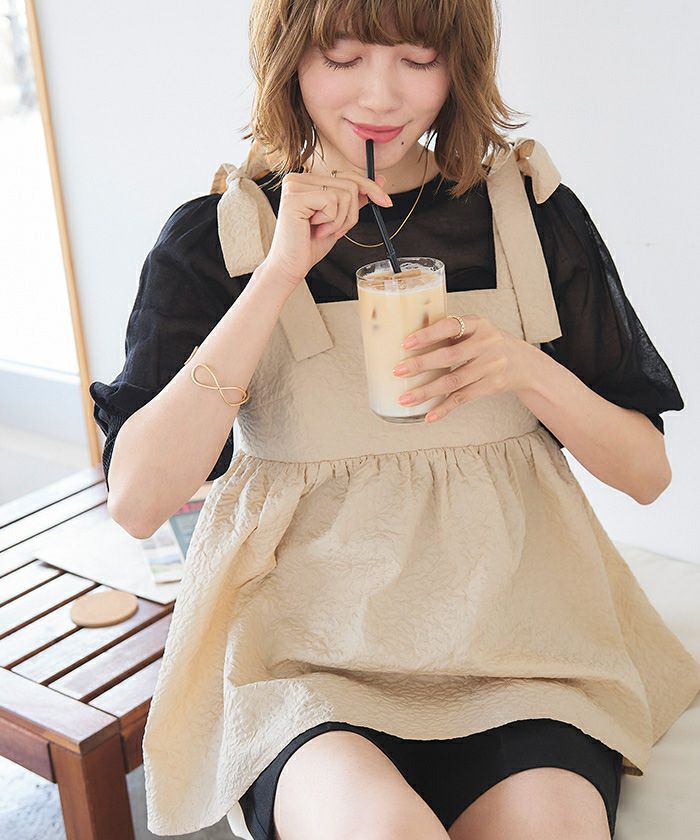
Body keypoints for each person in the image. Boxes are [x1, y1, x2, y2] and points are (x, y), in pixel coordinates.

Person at [89, 2, 700, 839]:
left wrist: (525, 369)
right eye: (342, 59)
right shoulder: (217, 238)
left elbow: (647, 472)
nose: (381, 95)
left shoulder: (530, 212)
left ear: (459, 66)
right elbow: (137, 501)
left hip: (525, 656)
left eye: (417, 60)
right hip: (307, 672)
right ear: (290, 62)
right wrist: (277, 275)